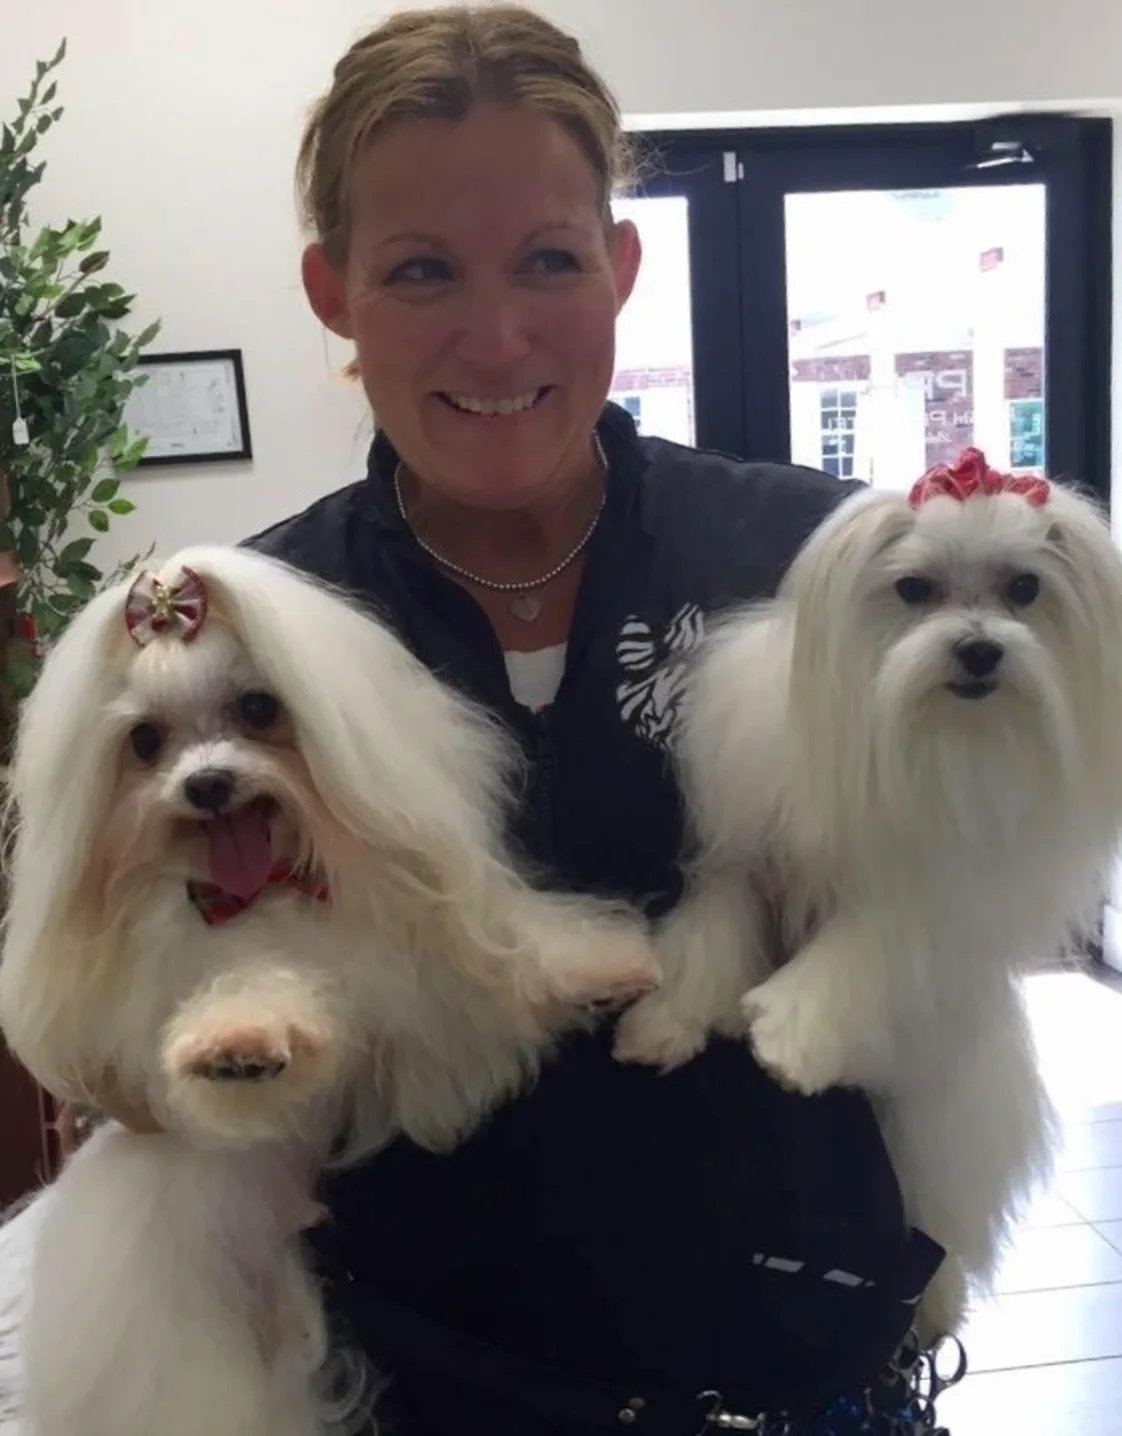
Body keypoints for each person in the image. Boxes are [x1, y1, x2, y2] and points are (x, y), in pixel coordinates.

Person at [113, 6, 958, 1433]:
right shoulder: (247, 631)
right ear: (332, 291)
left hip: (796, 1366)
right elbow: (129, 1003)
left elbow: (981, 891)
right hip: (410, 1384)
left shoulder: (809, 563)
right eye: (422, 269)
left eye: (549, 261)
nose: (495, 337)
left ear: (621, 267)